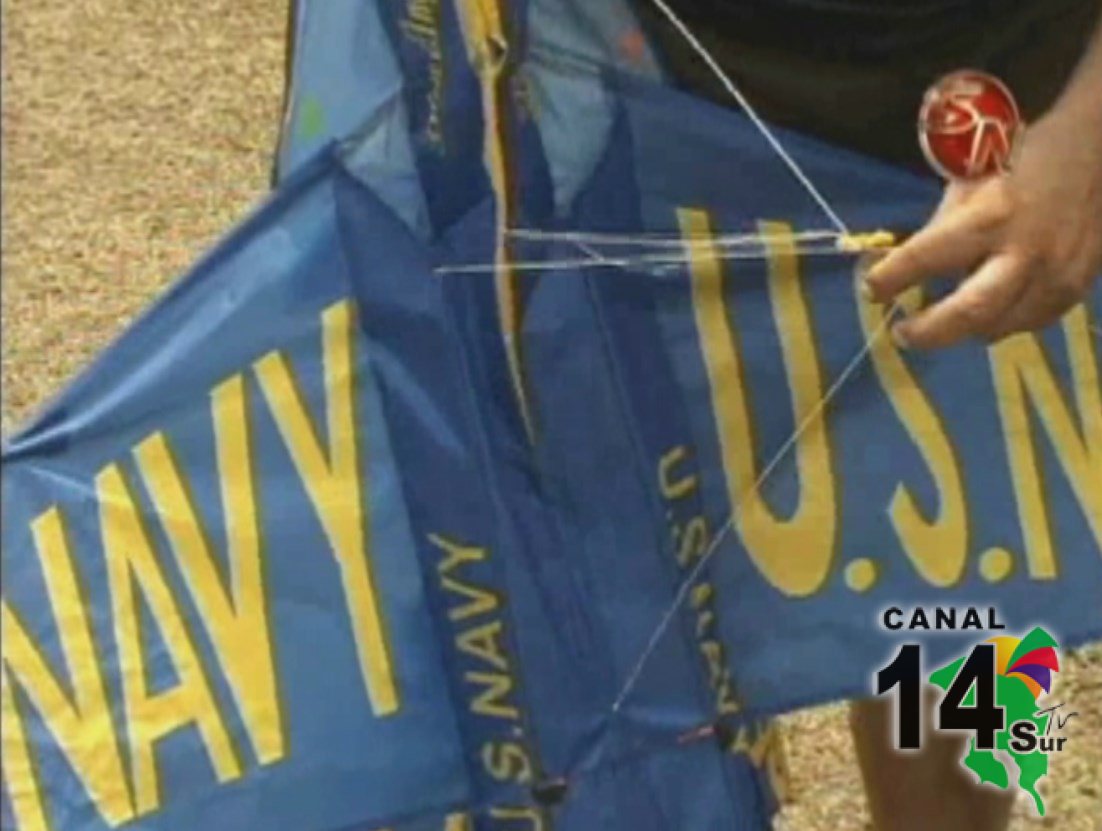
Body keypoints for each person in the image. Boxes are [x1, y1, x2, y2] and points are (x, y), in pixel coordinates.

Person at [635, 1, 1102, 829]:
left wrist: (1093, 124)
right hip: (654, 102)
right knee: (638, 684)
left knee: (960, 660)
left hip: (1014, 121)